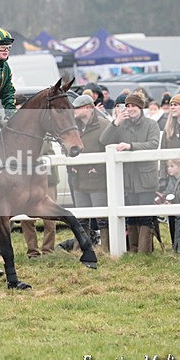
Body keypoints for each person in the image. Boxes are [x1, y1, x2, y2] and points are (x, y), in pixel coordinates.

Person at [99, 92, 160, 253]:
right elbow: (104, 141)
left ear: (140, 107)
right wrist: (116, 122)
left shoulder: (151, 124)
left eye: (133, 105)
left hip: (146, 178)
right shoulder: (122, 125)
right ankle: (133, 249)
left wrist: (131, 146)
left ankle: (144, 251)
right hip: (127, 179)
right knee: (130, 216)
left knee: (145, 216)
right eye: (128, 106)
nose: (130, 109)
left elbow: (153, 144)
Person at [69, 94, 111, 254]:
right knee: (80, 217)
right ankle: (80, 248)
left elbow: (110, 149)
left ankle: (106, 249)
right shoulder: (73, 127)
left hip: (98, 180)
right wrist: (70, 165)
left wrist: (98, 168)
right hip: (79, 179)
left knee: (102, 218)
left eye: (77, 107)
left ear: (88, 108)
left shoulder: (104, 125)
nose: (74, 110)